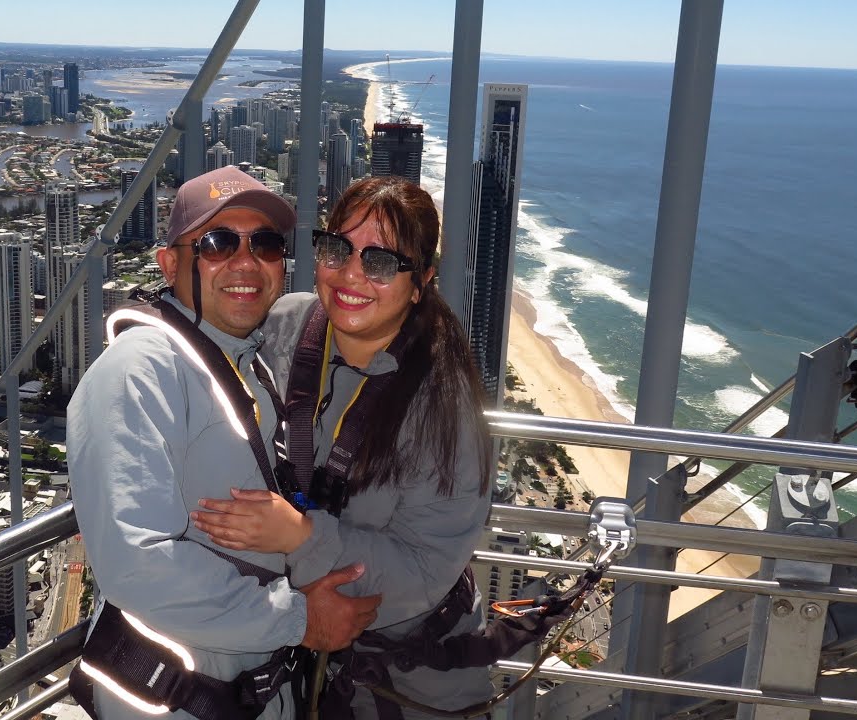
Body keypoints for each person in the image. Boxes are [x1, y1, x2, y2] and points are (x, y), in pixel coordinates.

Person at [192, 176, 577, 718]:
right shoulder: (285, 326)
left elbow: (422, 572)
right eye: (337, 249)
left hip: (408, 682)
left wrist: (299, 535)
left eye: (380, 262)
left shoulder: (444, 408)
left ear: (420, 282)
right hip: (295, 656)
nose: (351, 275)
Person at [67, 166, 382, 720]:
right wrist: (298, 620)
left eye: (265, 244)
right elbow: (136, 561)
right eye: (216, 243)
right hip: (173, 697)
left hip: (252, 691)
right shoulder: (138, 372)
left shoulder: (246, 363)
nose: (245, 262)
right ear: (170, 264)